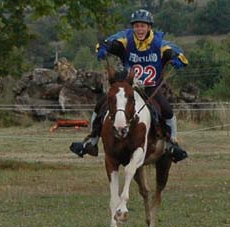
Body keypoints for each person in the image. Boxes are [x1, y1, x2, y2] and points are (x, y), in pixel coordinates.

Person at [69, 9, 189, 162]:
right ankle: (91, 142)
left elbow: (177, 51)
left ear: (149, 27)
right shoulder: (126, 38)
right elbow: (110, 41)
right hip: (128, 84)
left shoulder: (159, 43)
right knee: (101, 105)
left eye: (143, 26)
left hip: (151, 86)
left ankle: (172, 144)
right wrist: (105, 47)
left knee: (166, 110)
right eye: (137, 26)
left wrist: (178, 58)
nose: (139, 29)